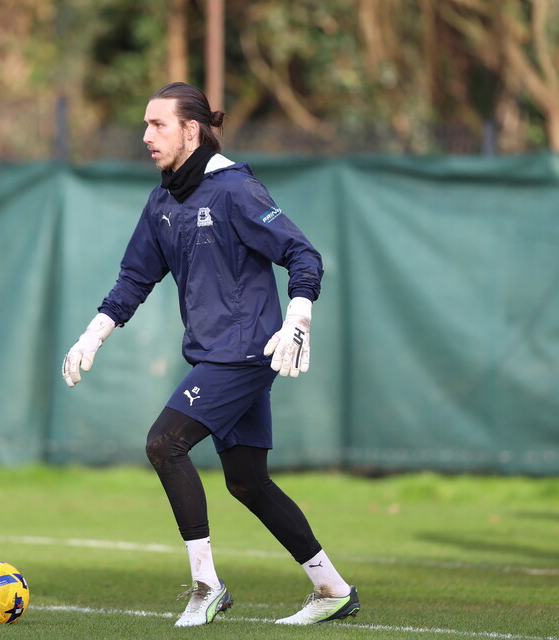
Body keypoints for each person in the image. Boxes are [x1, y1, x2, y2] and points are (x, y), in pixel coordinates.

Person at [61, 82, 360, 626]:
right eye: (146, 124)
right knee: (246, 481)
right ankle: (332, 588)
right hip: (213, 355)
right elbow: (134, 278)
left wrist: (298, 317)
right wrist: (93, 335)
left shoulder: (235, 189)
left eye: (158, 124)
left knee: (164, 443)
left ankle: (206, 586)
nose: (146, 135)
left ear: (191, 129)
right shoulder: (163, 200)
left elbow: (302, 254)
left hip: (246, 354)